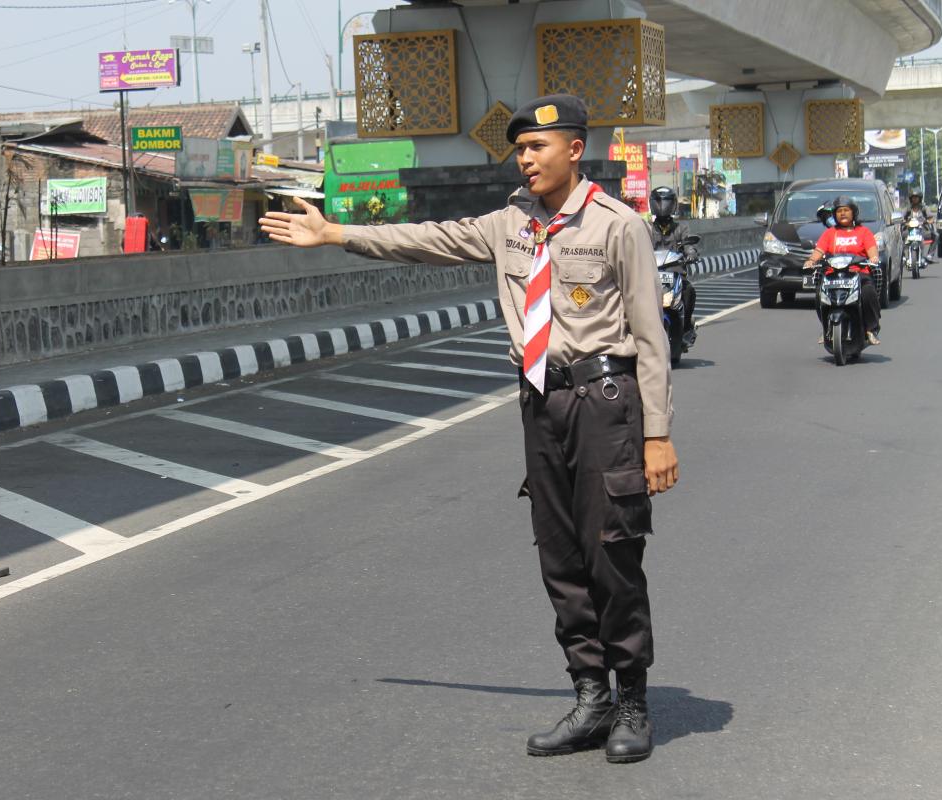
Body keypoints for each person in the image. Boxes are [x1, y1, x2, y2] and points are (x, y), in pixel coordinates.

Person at [259, 94, 677, 764]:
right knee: (561, 558)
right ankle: (590, 695)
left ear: (575, 148)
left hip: (604, 402)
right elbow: (428, 239)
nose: (526, 158)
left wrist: (656, 434)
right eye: (520, 149)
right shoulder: (509, 220)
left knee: (612, 554)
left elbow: (652, 339)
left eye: (538, 147)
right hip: (540, 404)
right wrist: (336, 232)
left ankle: (632, 700)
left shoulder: (617, 226)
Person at [803, 195, 881, 344]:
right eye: (839, 211)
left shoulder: (864, 232)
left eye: (846, 210)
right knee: (820, 294)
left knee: (868, 293)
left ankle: (871, 329)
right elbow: (818, 252)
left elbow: (872, 251)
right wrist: (811, 261)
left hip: (858, 274)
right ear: (834, 215)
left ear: (854, 213)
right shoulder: (829, 233)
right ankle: (826, 327)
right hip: (833, 274)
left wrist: (873, 258)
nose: (843, 213)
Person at [648, 186, 698, 348]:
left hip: (675, 274)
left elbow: (689, 244)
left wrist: (691, 253)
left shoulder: (681, 229)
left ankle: (687, 329)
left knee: (689, 291)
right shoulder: (646, 229)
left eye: (666, 201)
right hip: (650, 276)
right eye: (660, 201)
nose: (663, 205)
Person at [903, 190, 934, 263]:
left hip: (922, 230)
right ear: (911, 198)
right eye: (913, 197)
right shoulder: (908, 208)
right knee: (898, 237)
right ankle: (903, 256)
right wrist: (904, 222)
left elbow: (930, 217)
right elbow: (901, 217)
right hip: (909, 230)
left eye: (916, 197)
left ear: (920, 198)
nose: (915, 199)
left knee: (936, 235)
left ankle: (929, 255)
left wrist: (929, 220)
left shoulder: (924, 208)